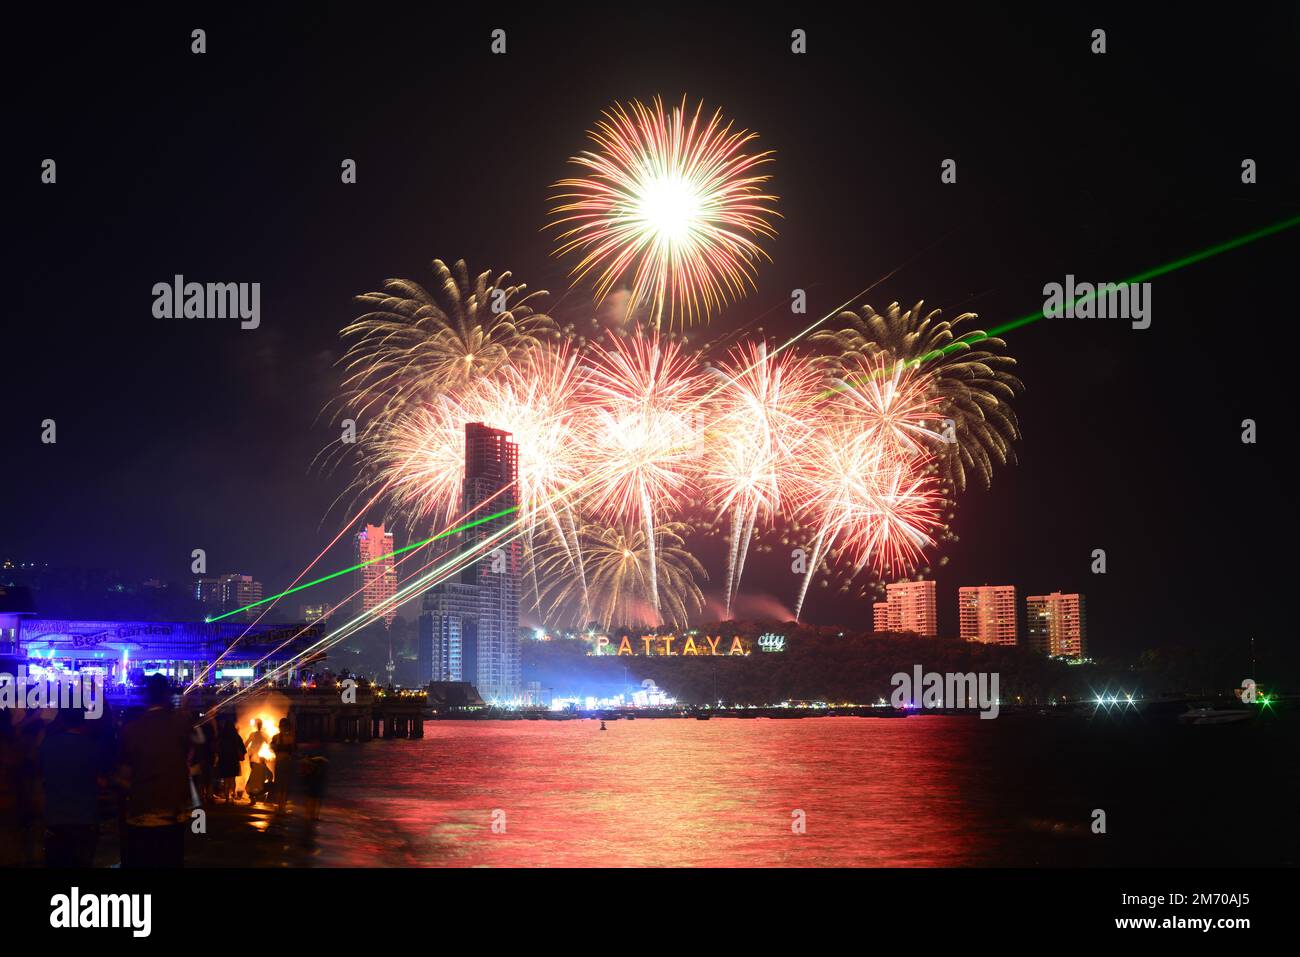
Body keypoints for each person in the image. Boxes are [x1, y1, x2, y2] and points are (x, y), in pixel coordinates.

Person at [116, 674, 192, 867]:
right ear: (167, 695)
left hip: (142, 814)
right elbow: (187, 760)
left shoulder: (132, 729)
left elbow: (125, 774)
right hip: (173, 814)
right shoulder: (181, 726)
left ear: (145, 696)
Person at [39, 707, 109, 867]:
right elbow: (102, 781)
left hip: (55, 819)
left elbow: (40, 775)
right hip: (85, 818)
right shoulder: (92, 746)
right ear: (84, 720)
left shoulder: (48, 744)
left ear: (62, 720)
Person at [214, 718, 245, 802]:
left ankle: (227, 798)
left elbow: (216, 748)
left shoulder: (222, 736)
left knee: (226, 780)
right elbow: (242, 748)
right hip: (233, 760)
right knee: (232, 779)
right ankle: (233, 797)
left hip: (224, 760)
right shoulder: (236, 736)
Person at [270, 717, 295, 811]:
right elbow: (293, 750)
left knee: (279, 784)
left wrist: (277, 751)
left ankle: (280, 806)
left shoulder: (276, 737)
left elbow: (272, 747)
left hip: (280, 762)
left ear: (280, 727)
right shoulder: (291, 738)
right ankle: (282, 806)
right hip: (287, 762)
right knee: (285, 785)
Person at [244, 719, 271, 804]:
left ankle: (255, 795)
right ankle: (255, 795)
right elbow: (270, 744)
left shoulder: (258, 734)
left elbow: (246, 744)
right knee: (257, 778)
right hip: (256, 759)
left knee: (256, 778)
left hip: (257, 759)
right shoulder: (260, 734)